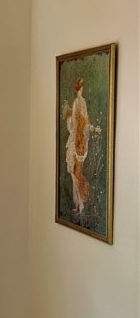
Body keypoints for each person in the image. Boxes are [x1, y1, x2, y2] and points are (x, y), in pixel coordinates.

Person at [62, 77, 101, 216]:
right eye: (82, 86)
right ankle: (79, 205)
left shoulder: (79, 102)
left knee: (76, 175)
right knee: (74, 174)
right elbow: (80, 122)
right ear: (81, 88)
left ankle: (81, 204)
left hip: (78, 143)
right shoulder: (80, 102)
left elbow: (80, 123)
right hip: (76, 142)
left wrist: (91, 128)